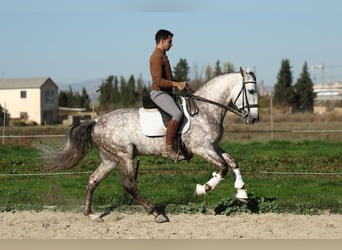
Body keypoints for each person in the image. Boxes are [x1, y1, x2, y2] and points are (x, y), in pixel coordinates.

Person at [149, 29, 187, 161]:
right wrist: (176, 85)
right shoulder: (156, 57)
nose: (171, 45)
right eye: (170, 42)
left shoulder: (163, 55)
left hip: (166, 92)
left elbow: (168, 77)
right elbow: (158, 81)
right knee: (177, 114)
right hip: (158, 93)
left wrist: (179, 83)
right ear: (162, 41)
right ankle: (168, 148)